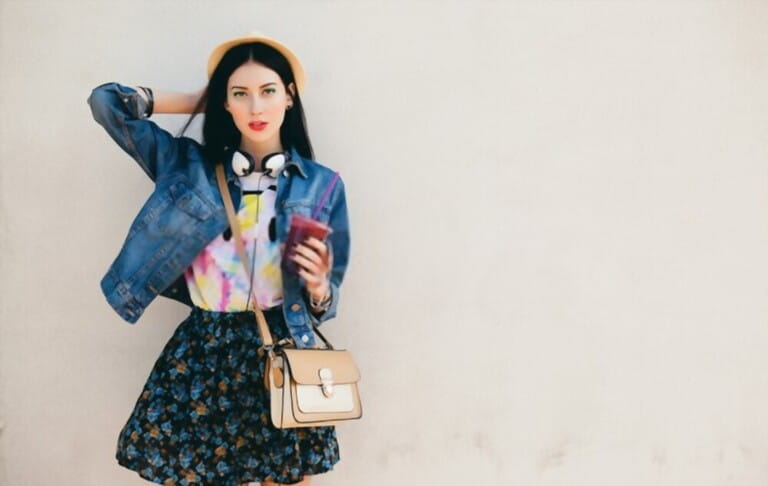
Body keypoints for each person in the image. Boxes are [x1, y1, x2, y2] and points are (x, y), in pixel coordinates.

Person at [86, 30, 351, 485]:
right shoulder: (187, 167)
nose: (256, 107)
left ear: (289, 97)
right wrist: (196, 100)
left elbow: (327, 304)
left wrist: (322, 287)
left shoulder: (321, 185)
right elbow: (106, 104)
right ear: (224, 103)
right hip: (205, 350)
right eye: (239, 94)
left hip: (283, 349)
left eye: (268, 91)